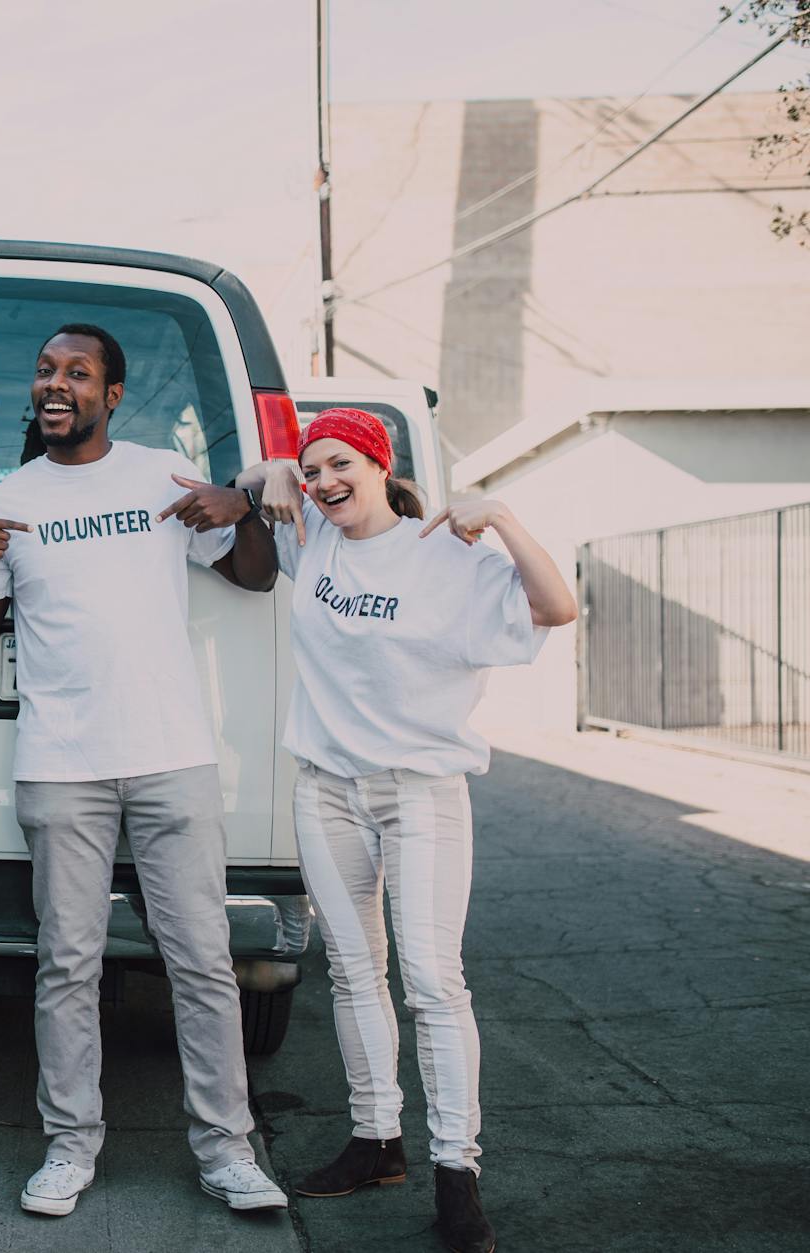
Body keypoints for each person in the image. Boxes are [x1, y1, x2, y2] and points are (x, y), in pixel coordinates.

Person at [0, 323, 290, 1218]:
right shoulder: (7, 498)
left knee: (204, 962)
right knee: (66, 964)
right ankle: (69, 1146)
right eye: (46, 371)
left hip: (172, 754)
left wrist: (242, 509)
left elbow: (253, 580)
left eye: (77, 373)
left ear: (112, 394)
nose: (56, 384)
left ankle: (227, 1150)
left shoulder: (153, 478)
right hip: (62, 764)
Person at [236, 407, 576, 1253]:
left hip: (420, 792)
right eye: (314, 471)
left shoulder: (446, 555)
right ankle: (375, 1138)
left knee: (431, 979)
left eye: (339, 464)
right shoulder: (309, 534)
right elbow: (249, 479)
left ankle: (457, 1173)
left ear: (380, 465)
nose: (324, 483)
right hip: (324, 787)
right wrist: (274, 472)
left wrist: (499, 514)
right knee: (354, 971)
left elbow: (558, 606)